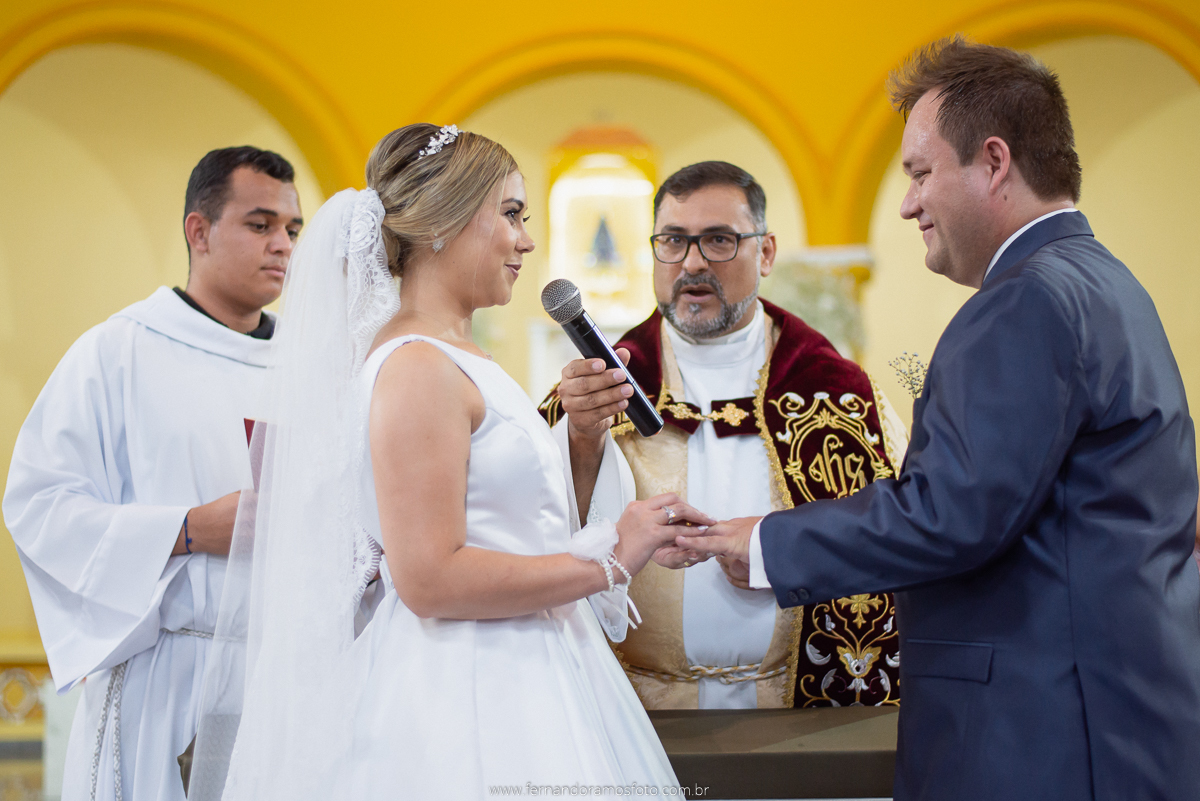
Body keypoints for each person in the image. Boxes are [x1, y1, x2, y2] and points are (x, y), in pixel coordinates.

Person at [681, 37, 1200, 800]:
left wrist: (765, 543)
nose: (908, 202)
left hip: (1042, 735)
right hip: (1114, 715)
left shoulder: (1025, 300)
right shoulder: (1106, 282)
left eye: (921, 173)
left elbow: (951, 511)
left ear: (993, 162)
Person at [193, 124, 704, 801]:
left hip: (528, 660)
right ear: (441, 222)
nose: (526, 240)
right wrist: (609, 559)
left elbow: (515, 522)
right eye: (512, 213)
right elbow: (429, 577)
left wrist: (583, 439)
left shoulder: (458, 354)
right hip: (465, 687)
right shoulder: (416, 367)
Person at [538, 161, 907, 710]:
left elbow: (899, 530)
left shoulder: (840, 397)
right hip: (635, 710)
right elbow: (531, 533)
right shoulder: (597, 391)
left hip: (797, 712)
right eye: (673, 240)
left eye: (718, 240)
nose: (692, 263)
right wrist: (581, 441)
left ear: (766, 252)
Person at [3, 146, 302, 801]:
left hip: (281, 681)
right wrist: (188, 530)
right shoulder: (119, 352)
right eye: (260, 225)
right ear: (199, 230)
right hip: (163, 676)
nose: (282, 244)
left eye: (292, 229)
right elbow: (39, 505)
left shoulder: (309, 367)